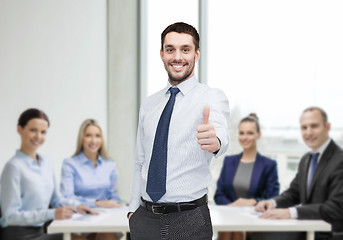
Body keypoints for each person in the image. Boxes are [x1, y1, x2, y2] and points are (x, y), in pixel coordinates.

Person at [128, 22, 230, 240]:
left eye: (185, 49)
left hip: (189, 219)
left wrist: (216, 141)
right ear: (162, 54)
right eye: (170, 49)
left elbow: (221, 134)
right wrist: (132, 211)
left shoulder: (211, 97)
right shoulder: (149, 104)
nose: (177, 57)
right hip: (145, 219)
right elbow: (140, 161)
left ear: (197, 54)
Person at [0, 108, 97, 240]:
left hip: (42, 230)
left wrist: (77, 206)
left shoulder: (47, 163)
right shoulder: (13, 167)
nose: (38, 136)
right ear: (20, 129)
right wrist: (52, 214)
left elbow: (56, 199)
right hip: (19, 234)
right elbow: (10, 216)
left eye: (43, 132)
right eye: (32, 130)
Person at [254, 107, 343, 240]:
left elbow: (336, 207)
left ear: (327, 126)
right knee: (256, 234)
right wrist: (272, 203)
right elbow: (294, 193)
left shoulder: (339, 160)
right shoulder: (306, 159)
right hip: (308, 231)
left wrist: (290, 212)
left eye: (314, 126)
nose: (309, 132)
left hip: (330, 235)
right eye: (304, 127)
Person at [214, 113, 280, 240]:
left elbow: (274, 198)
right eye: (242, 133)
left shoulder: (268, 165)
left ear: (258, 135)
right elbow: (219, 194)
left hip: (255, 219)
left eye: (250, 133)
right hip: (229, 217)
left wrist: (252, 201)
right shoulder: (229, 162)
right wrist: (233, 208)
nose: (245, 137)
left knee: (235, 228)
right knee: (233, 227)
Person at [60, 119, 121, 240]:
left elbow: (114, 196)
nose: (93, 140)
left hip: (104, 218)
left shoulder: (110, 165)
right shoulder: (70, 164)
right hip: (79, 218)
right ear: (81, 139)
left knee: (108, 235)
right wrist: (97, 203)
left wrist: (114, 205)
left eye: (97, 136)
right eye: (88, 135)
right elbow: (66, 197)